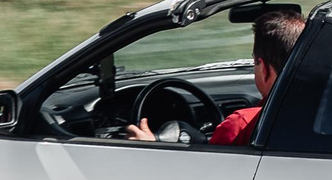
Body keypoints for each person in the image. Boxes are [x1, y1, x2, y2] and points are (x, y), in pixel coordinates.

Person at [127, 9, 304, 145]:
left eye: (255, 62)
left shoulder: (241, 125)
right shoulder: (324, 112)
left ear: (264, 68)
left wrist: (153, 148)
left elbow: (205, 178)